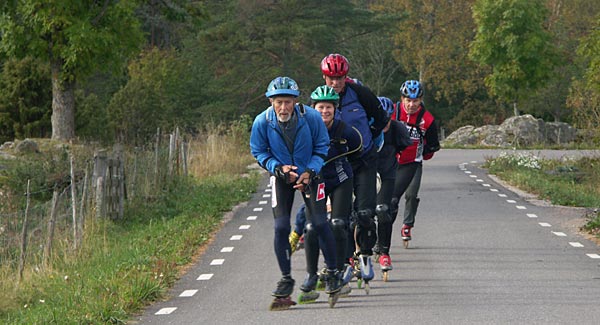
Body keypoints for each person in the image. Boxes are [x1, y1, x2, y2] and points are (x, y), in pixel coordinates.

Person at [249, 76, 341, 310]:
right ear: (271, 101)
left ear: (295, 101)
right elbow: (258, 151)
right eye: (279, 102)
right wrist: (277, 168)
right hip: (281, 176)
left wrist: (310, 171)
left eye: (288, 102)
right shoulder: (262, 121)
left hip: (311, 174)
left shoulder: (310, 117)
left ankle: (332, 271)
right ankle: (286, 278)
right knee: (281, 227)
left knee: (320, 223)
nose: (283, 107)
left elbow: (322, 146)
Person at [321, 53, 389, 288]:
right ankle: (346, 260)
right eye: (331, 78)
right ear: (324, 77)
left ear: (345, 76)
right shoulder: (321, 100)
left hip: (365, 160)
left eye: (340, 77)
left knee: (365, 213)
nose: (336, 83)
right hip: (339, 163)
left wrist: (368, 134)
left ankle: (366, 255)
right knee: (342, 218)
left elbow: (381, 117)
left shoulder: (360, 93)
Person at [296, 85, 363, 303]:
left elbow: (358, 149)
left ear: (336, 109)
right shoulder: (304, 129)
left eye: (329, 107)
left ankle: (338, 269)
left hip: (341, 179)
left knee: (337, 224)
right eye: (320, 107)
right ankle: (311, 274)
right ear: (313, 108)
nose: (325, 111)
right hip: (315, 181)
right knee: (311, 227)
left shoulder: (345, 130)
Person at [390, 80, 440, 248]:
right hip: (391, 162)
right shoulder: (393, 112)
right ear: (402, 99)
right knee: (389, 199)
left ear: (421, 100)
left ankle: (407, 225)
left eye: (415, 101)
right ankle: (383, 230)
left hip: (413, 163)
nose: (411, 105)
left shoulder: (427, 119)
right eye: (408, 100)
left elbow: (433, 145)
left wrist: (424, 153)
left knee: (411, 194)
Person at [373, 96, 412, 278]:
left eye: (388, 119)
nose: (385, 123)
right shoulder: (367, 130)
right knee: (360, 214)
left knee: (383, 209)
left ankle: (384, 252)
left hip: (388, 174)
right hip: (367, 173)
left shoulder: (398, 130)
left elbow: (403, 149)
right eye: (382, 119)